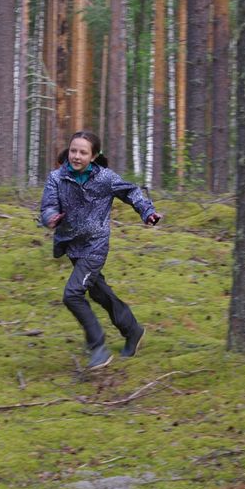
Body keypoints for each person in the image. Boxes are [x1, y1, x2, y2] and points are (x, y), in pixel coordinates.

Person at [40, 131, 163, 370]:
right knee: (98, 292)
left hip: (95, 246)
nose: (76, 156)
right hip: (72, 245)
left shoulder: (105, 178)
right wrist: (51, 217)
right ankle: (132, 330)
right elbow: (47, 206)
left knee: (72, 294)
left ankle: (98, 347)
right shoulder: (56, 178)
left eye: (83, 152)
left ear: (93, 156)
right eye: (73, 151)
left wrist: (147, 212)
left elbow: (131, 192)